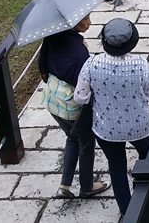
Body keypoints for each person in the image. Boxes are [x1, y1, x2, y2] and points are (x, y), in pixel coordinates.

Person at [74, 18, 149, 215]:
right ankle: (147, 196)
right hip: (140, 126)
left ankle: (127, 210)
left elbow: (80, 97)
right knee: (147, 159)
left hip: (106, 128)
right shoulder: (140, 64)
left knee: (117, 167)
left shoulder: (92, 63)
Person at [38, 13, 110, 198]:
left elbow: (43, 69)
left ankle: (65, 186)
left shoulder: (52, 35)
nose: (89, 23)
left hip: (52, 101)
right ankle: (87, 186)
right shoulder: (79, 55)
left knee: (72, 137)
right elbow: (85, 86)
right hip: (71, 106)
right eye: (83, 19)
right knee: (86, 142)